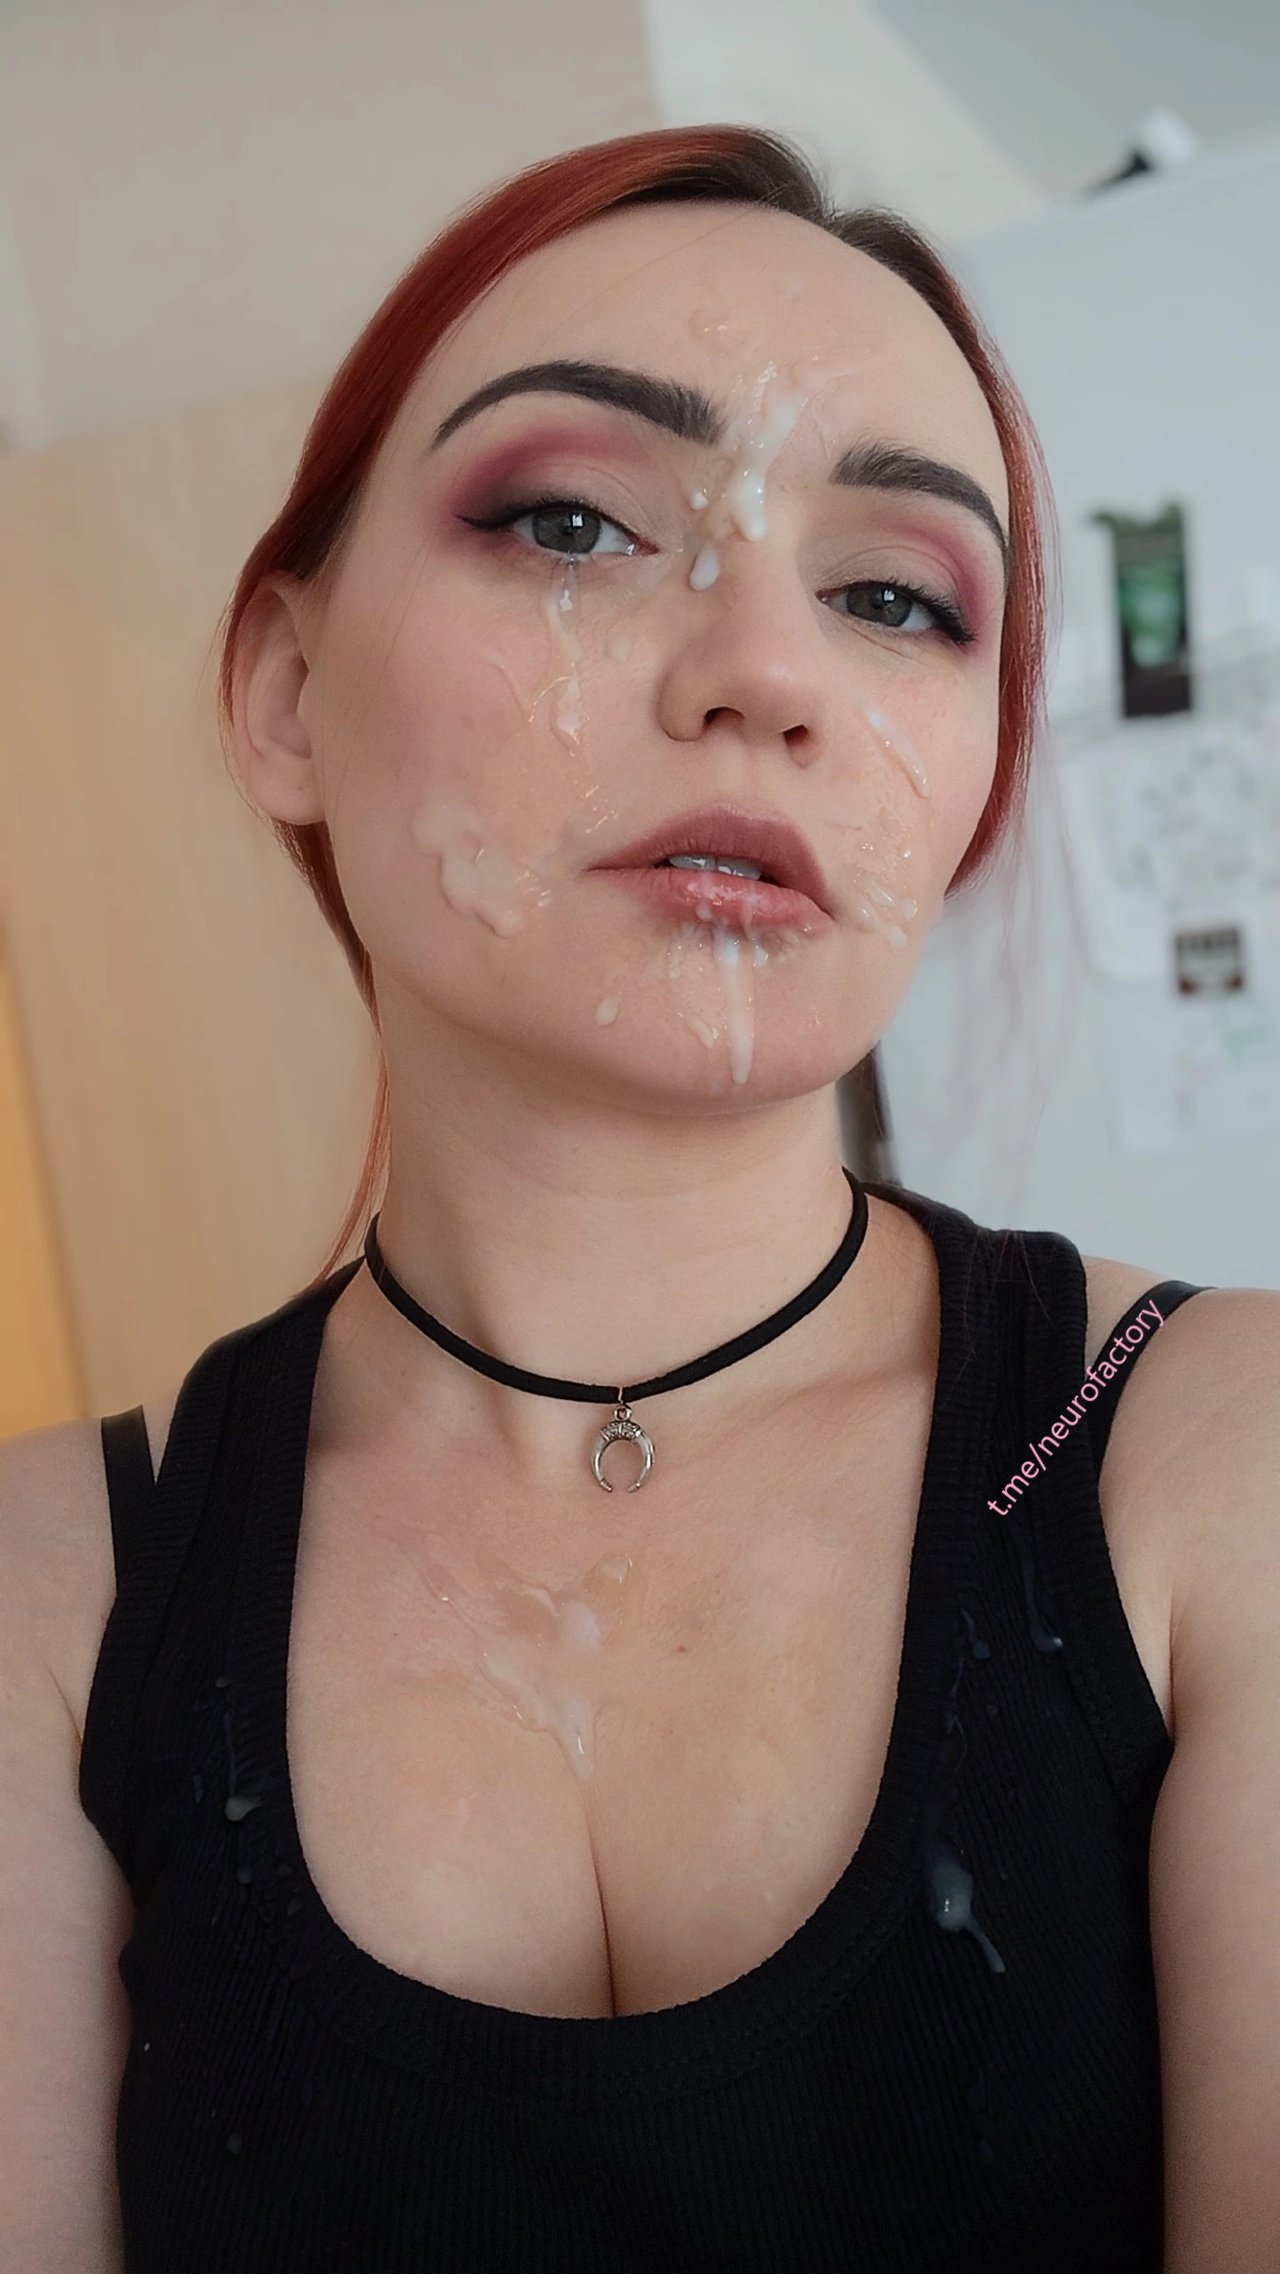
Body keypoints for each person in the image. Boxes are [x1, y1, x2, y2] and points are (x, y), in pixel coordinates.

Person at [2, 124, 1277, 2274]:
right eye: (575, 521)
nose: (765, 674)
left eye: (894, 598)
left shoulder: (1221, 1465)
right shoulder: (44, 1607)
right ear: (286, 692)